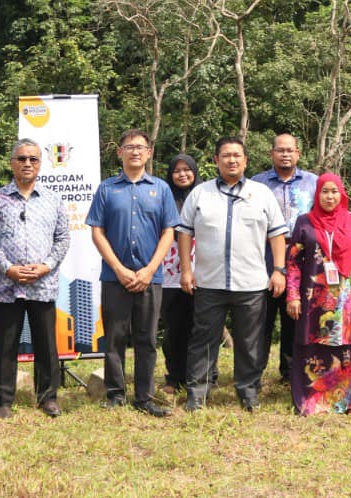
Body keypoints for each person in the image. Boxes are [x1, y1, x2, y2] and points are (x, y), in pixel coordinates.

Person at [177, 136, 288, 413]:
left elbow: (277, 235)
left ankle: (248, 391)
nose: (232, 160)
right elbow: (185, 234)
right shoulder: (200, 194)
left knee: (250, 342)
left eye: (237, 155)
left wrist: (278, 270)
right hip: (209, 282)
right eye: (226, 155)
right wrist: (186, 270)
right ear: (216, 160)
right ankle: (198, 393)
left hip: (251, 283)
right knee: (203, 339)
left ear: (246, 160)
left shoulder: (262, 194)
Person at [87, 129, 179, 416]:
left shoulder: (161, 189)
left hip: (151, 278)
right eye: (129, 147)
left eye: (141, 147)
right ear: (120, 152)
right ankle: (115, 394)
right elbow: (97, 232)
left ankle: (144, 396)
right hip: (115, 278)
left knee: (147, 338)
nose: (135, 152)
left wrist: (150, 270)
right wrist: (119, 268)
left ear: (149, 152)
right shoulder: (106, 189)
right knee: (114, 337)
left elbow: (169, 232)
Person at [0, 139, 70, 419]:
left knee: (46, 343)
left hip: (43, 283)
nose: (27, 164)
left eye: (33, 159)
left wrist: (47, 265)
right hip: (7, 285)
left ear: (40, 164)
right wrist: (8, 268)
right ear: (12, 163)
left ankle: (48, 397)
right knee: (5, 344)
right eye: (21, 159)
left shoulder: (53, 199)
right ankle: (3, 400)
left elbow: (63, 238)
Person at [284, 173, 351, 415]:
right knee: (314, 345)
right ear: (317, 194)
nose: (330, 197)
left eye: (334, 192)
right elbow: (293, 263)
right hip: (314, 298)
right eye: (324, 191)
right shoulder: (305, 221)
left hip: (347, 297)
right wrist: (293, 295)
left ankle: (347, 401)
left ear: (341, 194)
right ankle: (313, 400)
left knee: (346, 346)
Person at [253, 133, 316, 384]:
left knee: (295, 317)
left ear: (298, 153)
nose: (285, 154)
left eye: (290, 150)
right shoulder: (257, 184)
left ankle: (290, 372)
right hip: (263, 257)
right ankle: (254, 372)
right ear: (272, 154)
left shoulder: (314, 182)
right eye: (280, 150)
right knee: (261, 319)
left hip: (303, 259)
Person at [158, 153, 206, 393]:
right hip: (170, 274)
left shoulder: (206, 196)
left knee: (202, 327)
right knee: (174, 328)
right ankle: (174, 377)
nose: (182, 174)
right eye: (177, 170)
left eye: (187, 169)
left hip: (204, 271)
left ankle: (204, 376)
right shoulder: (163, 198)